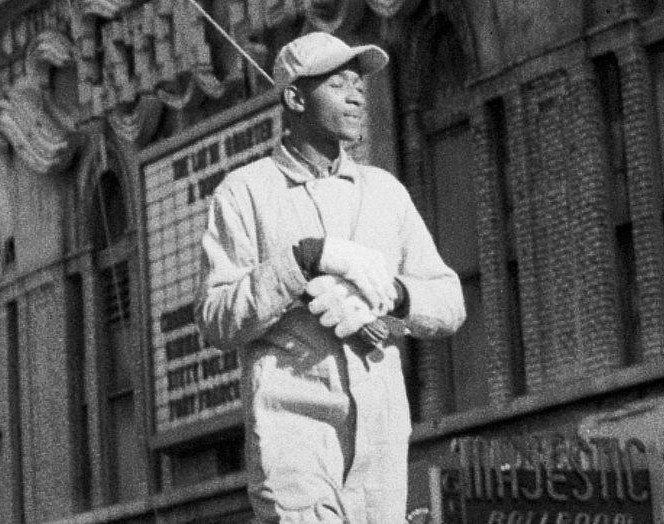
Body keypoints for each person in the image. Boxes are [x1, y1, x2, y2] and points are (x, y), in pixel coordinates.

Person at [199, 30, 466, 524]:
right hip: (293, 424)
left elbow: (449, 300)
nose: (357, 92)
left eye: (359, 83)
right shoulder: (245, 193)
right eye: (338, 82)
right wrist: (303, 260)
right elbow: (216, 319)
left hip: (382, 428)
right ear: (296, 97)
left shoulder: (385, 192)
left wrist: (394, 296)